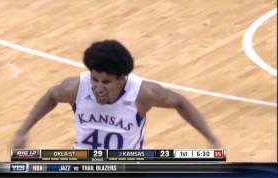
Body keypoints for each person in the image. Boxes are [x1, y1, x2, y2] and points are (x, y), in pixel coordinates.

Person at [12, 40, 221, 149]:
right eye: (94, 80)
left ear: (122, 78)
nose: (98, 87)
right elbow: (51, 96)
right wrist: (23, 131)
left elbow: (180, 102)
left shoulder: (143, 93)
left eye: (106, 82)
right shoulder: (75, 88)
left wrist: (211, 139)